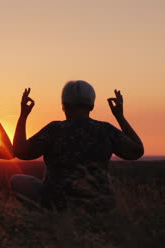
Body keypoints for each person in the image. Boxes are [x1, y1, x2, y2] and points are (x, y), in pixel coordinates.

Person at [11, 81, 144, 211]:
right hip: (100, 205)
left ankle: (43, 217)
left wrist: (23, 115)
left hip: (57, 204)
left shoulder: (55, 129)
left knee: (17, 180)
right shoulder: (106, 129)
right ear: (91, 106)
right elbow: (136, 151)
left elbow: (20, 151)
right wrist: (120, 116)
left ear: (64, 106)